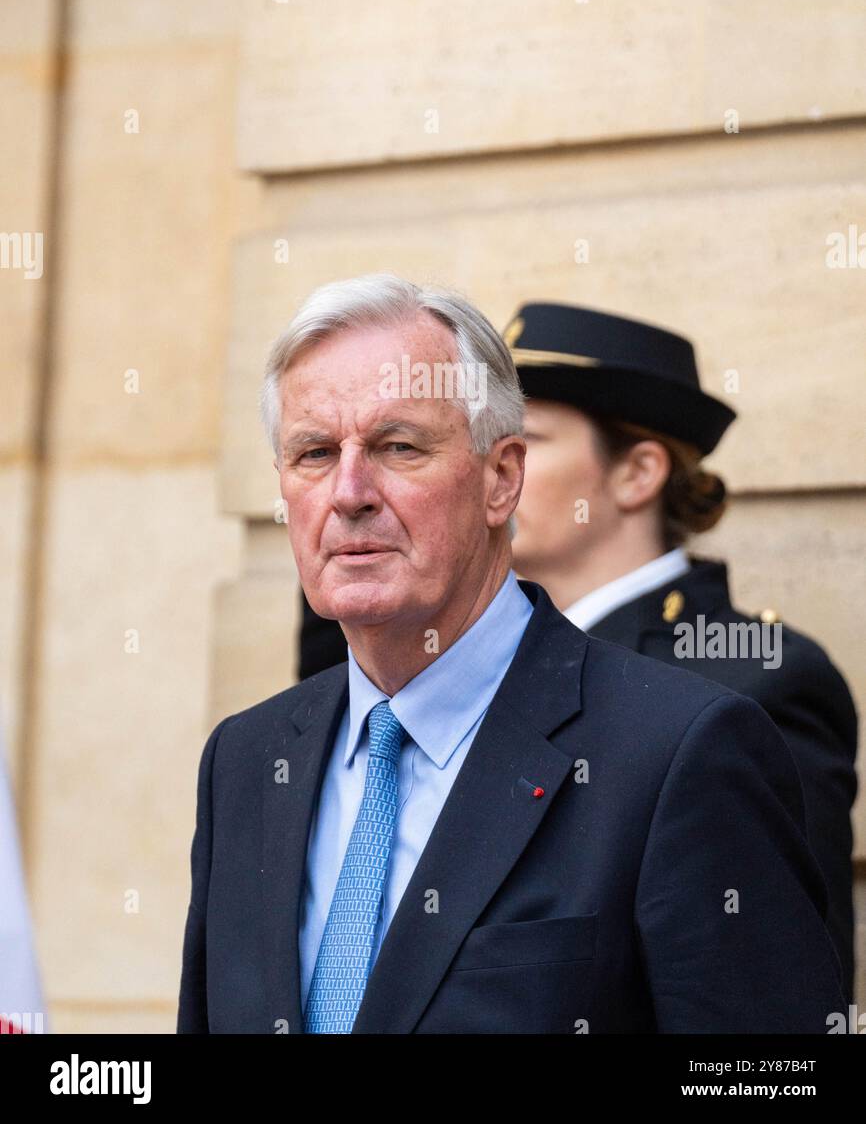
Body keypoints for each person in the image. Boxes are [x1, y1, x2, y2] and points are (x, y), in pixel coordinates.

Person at [177, 273, 846, 1034]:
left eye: (400, 447)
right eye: (314, 453)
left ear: (502, 481)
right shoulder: (245, 758)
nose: (349, 491)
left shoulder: (680, 749)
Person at [501, 300, 858, 1005]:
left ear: (638, 472)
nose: (489, 472)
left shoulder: (755, 680)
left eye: (525, 442)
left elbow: (769, 1037)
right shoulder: (462, 661)